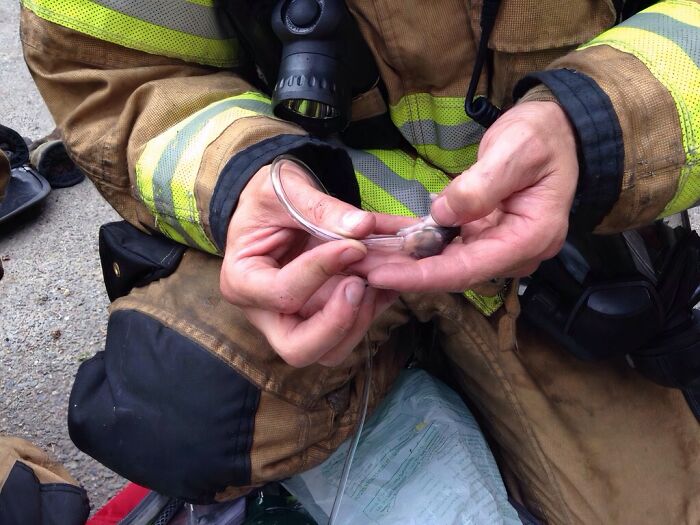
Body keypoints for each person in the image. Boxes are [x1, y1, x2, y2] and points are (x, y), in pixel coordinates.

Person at [19, 0, 700, 523]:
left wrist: (596, 124)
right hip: (314, 237)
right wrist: (244, 173)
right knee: (177, 402)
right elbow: (106, 68)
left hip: (573, 249)